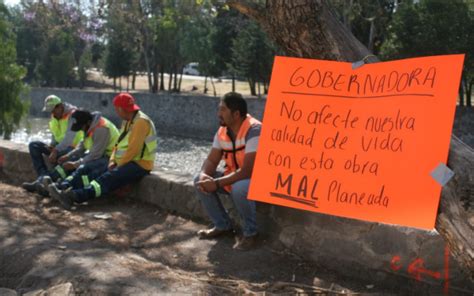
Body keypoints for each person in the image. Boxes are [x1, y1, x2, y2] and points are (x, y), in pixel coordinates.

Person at [49, 93, 157, 210]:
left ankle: (74, 196)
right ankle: (66, 190)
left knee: (106, 179)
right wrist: (112, 161)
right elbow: (119, 144)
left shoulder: (140, 122)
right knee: (96, 174)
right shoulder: (128, 120)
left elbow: (133, 150)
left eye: (116, 109)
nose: (116, 112)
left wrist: (117, 165)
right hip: (125, 161)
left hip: (140, 164)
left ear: (121, 109)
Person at [195, 92, 261, 251]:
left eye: (223, 110)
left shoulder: (255, 130)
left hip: (257, 180)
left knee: (239, 188)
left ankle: (251, 233)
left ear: (236, 114)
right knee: (198, 179)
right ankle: (222, 225)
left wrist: (216, 183)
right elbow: (212, 160)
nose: (219, 114)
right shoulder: (222, 132)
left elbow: (248, 171)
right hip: (235, 177)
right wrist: (205, 175)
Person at [44, 110, 119, 193]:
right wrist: (68, 156)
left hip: (111, 157)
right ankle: (46, 183)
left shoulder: (101, 129)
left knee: (83, 168)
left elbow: (95, 155)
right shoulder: (90, 126)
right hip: (99, 153)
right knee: (70, 161)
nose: (80, 130)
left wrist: (75, 164)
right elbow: (82, 146)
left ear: (88, 122)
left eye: (81, 127)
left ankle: (63, 187)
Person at [22, 95, 83, 195]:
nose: (52, 113)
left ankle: (40, 183)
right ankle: (42, 177)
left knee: (66, 155)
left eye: (53, 110)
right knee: (34, 145)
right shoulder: (54, 116)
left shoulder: (73, 115)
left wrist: (55, 151)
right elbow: (54, 135)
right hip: (58, 148)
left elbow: (68, 140)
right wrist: (52, 146)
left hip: (72, 150)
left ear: (59, 106)